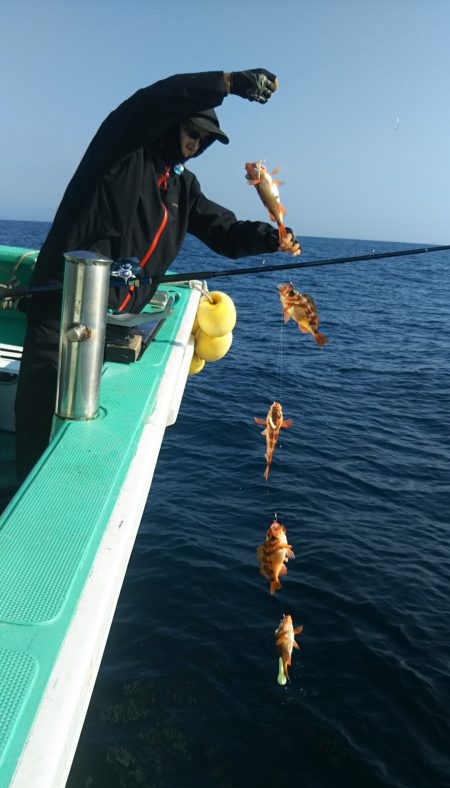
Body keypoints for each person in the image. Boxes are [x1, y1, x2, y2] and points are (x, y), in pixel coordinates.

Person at [15, 68, 301, 482]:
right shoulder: (122, 151)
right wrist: (227, 83)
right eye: (192, 131)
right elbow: (148, 103)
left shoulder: (184, 188)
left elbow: (225, 232)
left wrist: (273, 237)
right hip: (60, 310)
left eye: (203, 140)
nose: (195, 143)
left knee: (75, 428)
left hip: (110, 322)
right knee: (37, 425)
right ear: (172, 122)